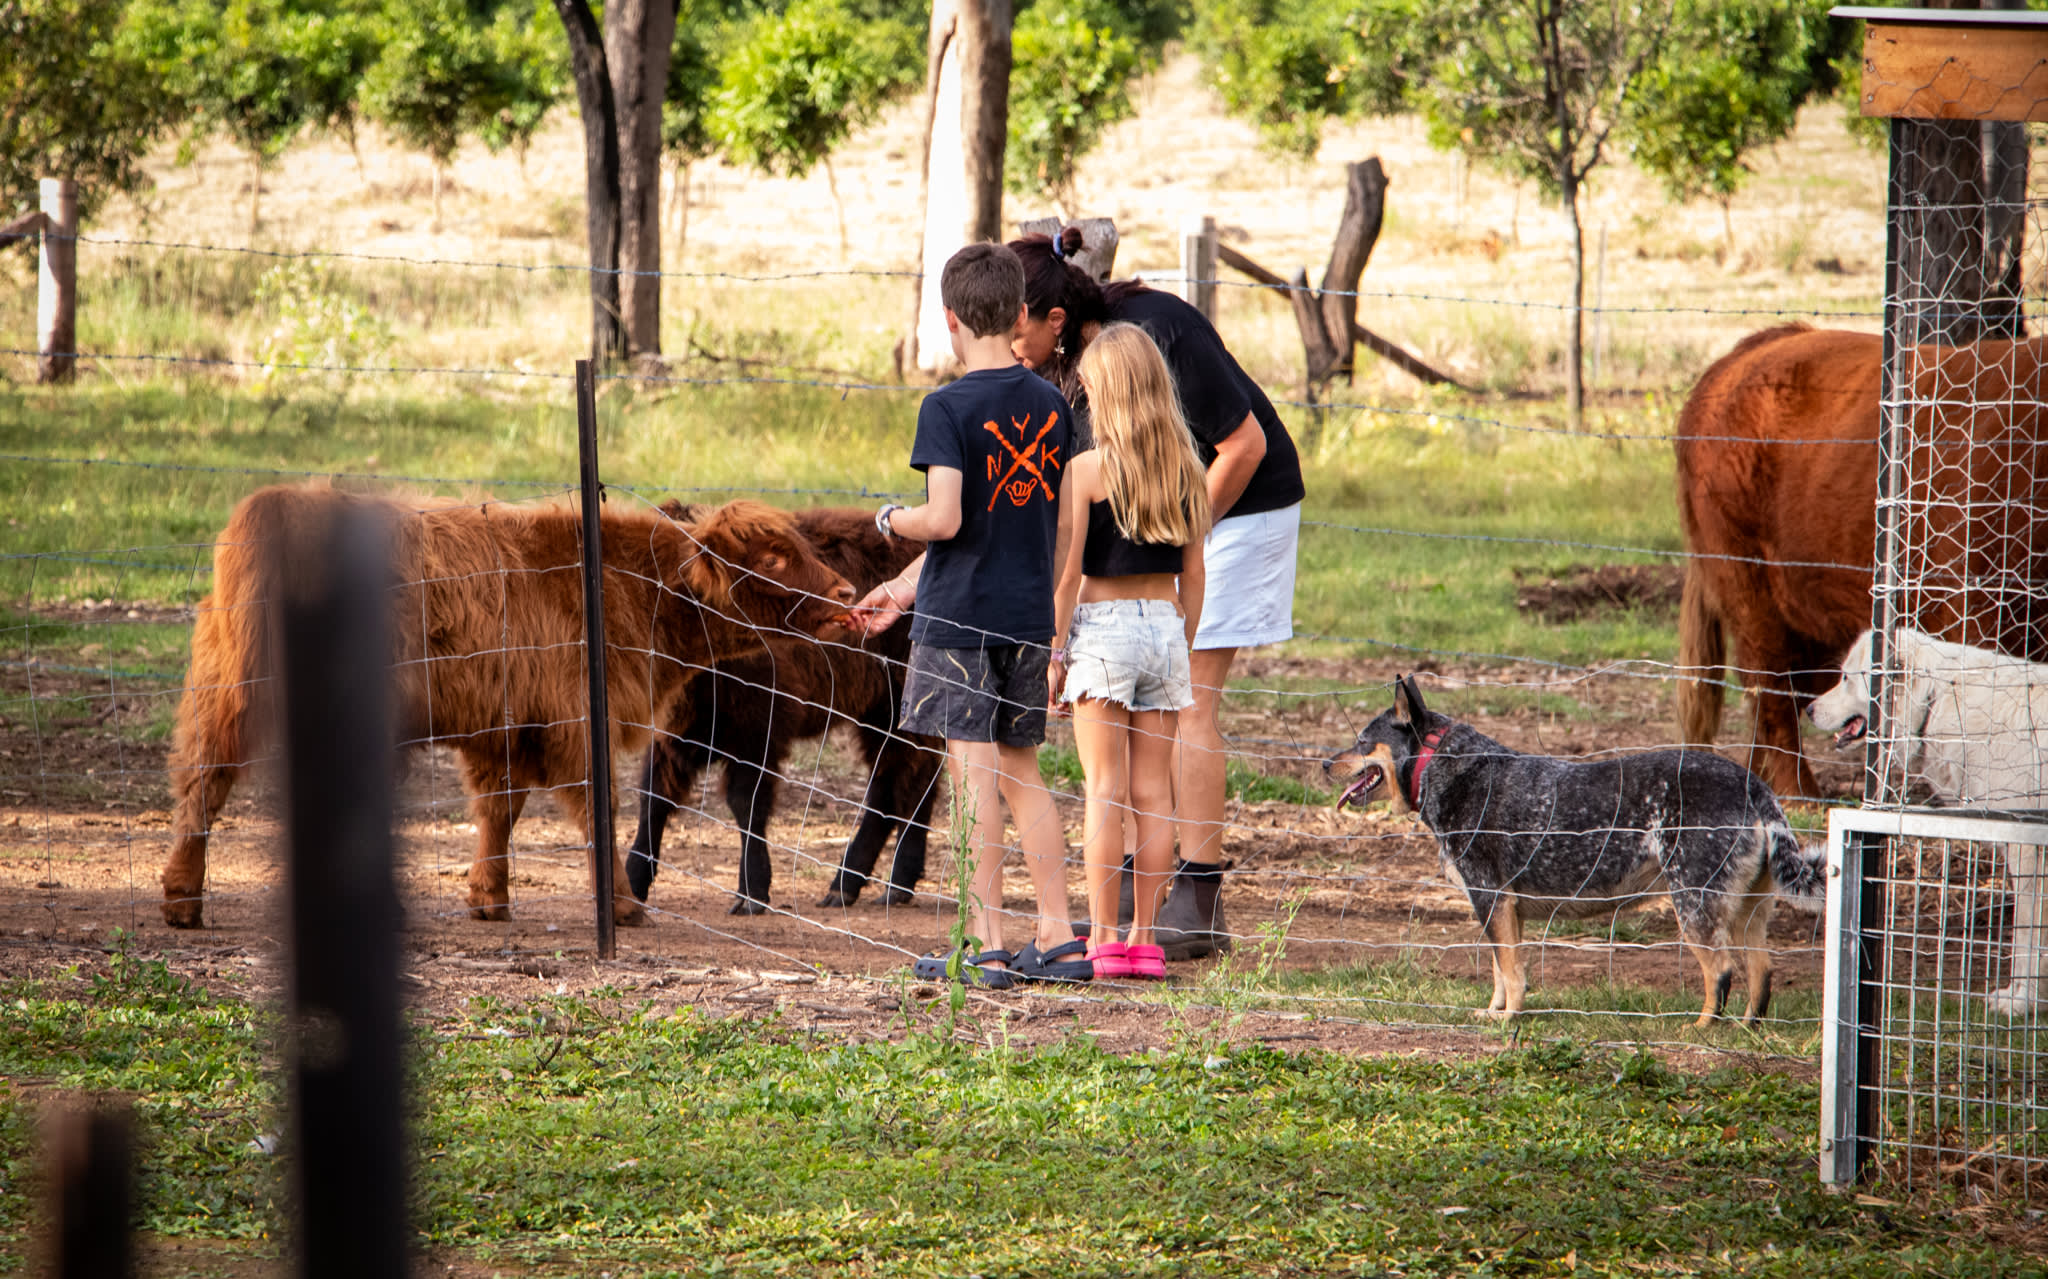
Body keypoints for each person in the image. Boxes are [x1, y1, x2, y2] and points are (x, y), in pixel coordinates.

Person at [1010, 224, 1306, 961]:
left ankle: (1196, 898)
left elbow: (1244, 445)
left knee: (1189, 706)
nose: (1007, 344)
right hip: (1162, 530)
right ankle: (1137, 916)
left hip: (1233, 500)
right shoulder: (1071, 359)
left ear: (1054, 318)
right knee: (1143, 768)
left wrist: (1167, 532)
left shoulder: (1151, 332)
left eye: (1013, 329)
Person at [867, 242, 1089, 988]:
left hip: (959, 621)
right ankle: (1058, 934)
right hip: (1026, 616)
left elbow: (948, 516)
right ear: (1022, 314)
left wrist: (892, 519)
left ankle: (986, 941)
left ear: (951, 319)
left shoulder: (947, 407)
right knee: (1024, 775)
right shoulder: (1050, 404)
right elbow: (1034, 517)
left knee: (971, 779)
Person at [1048, 323, 1209, 981]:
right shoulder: (1187, 469)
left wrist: (1054, 653)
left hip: (1105, 630)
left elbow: (1066, 576)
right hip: (1163, 627)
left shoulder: (1086, 471)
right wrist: (1183, 638)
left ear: (1103, 393)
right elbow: (1195, 576)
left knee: (1104, 789)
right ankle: (1146, 938)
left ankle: (1104, 936)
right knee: (1154, 796)